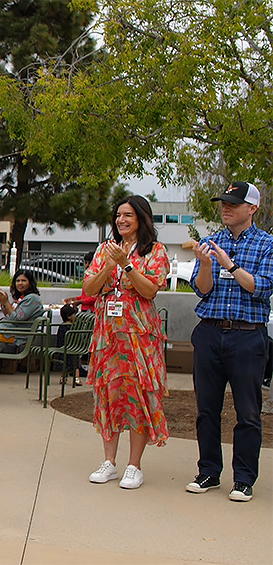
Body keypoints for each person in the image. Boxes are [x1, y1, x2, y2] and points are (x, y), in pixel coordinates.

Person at [186, 181, 272, 503]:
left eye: (233, 203)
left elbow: (262, 287)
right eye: (224, 203)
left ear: (252, 209)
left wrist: (231, 266)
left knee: (248, 411)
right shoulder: (209, 242)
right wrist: (207, 266)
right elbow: (202, 289)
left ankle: (244, 478)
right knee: (207, 409)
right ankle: (208, 471)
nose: (226, 208)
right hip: (210, 333)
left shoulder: (267, 245)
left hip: (247, 337)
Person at [82, 195, 169, 490]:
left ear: (141, 219)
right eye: (118, 215)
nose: (121, 220)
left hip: (139, 335)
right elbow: (90, 288)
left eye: (128, 215)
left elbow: (150, 291)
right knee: (109, 393)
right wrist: (110, 264)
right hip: (109, 335)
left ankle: (135, 465)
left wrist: (128, 266)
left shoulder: (155, 251)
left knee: (138, 396)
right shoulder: (104, 250)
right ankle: (109, 461)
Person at [56, 303, 84, 386]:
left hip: (63, 349)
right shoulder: (74, 327)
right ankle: (76, 378)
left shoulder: (62, 326)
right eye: (74, 314)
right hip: (73, 348)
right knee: (76, 365)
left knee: (64, 364)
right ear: (69, 316)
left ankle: (63, 377)